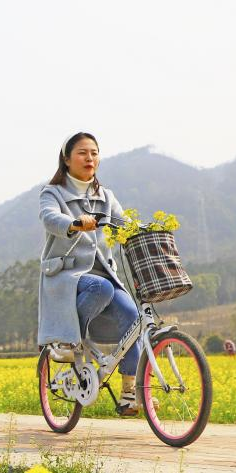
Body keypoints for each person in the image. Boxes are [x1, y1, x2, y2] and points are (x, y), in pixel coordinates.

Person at [37, 132, 149, 416]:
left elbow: (123, 224)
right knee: (102, 289)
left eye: (94, 153)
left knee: (132, 315)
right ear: (66, 159)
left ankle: (128, 393)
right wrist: (74, 223)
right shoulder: (53, 193)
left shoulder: (105, 196)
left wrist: (145, 231)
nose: (90, 158)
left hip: (103, 276)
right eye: (83, 153)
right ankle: (67, 338)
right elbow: (50, 217)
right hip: (68, 276)